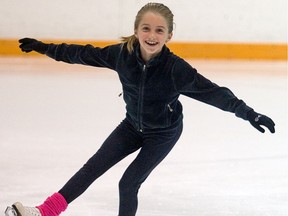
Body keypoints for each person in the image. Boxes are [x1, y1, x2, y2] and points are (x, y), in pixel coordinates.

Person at [9, 2, 275, 216]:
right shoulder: (121, 55)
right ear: (136, 31)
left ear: (169, 36)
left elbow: (213, 93)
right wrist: (45, 48)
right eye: (146, 28)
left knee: (128, 183)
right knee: (92, 167)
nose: (152, 35)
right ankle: (47, 211)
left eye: (159, 31)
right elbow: (82, 53)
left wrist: (248, 112)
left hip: (162, 134)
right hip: (131, 126)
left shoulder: (176, 69)